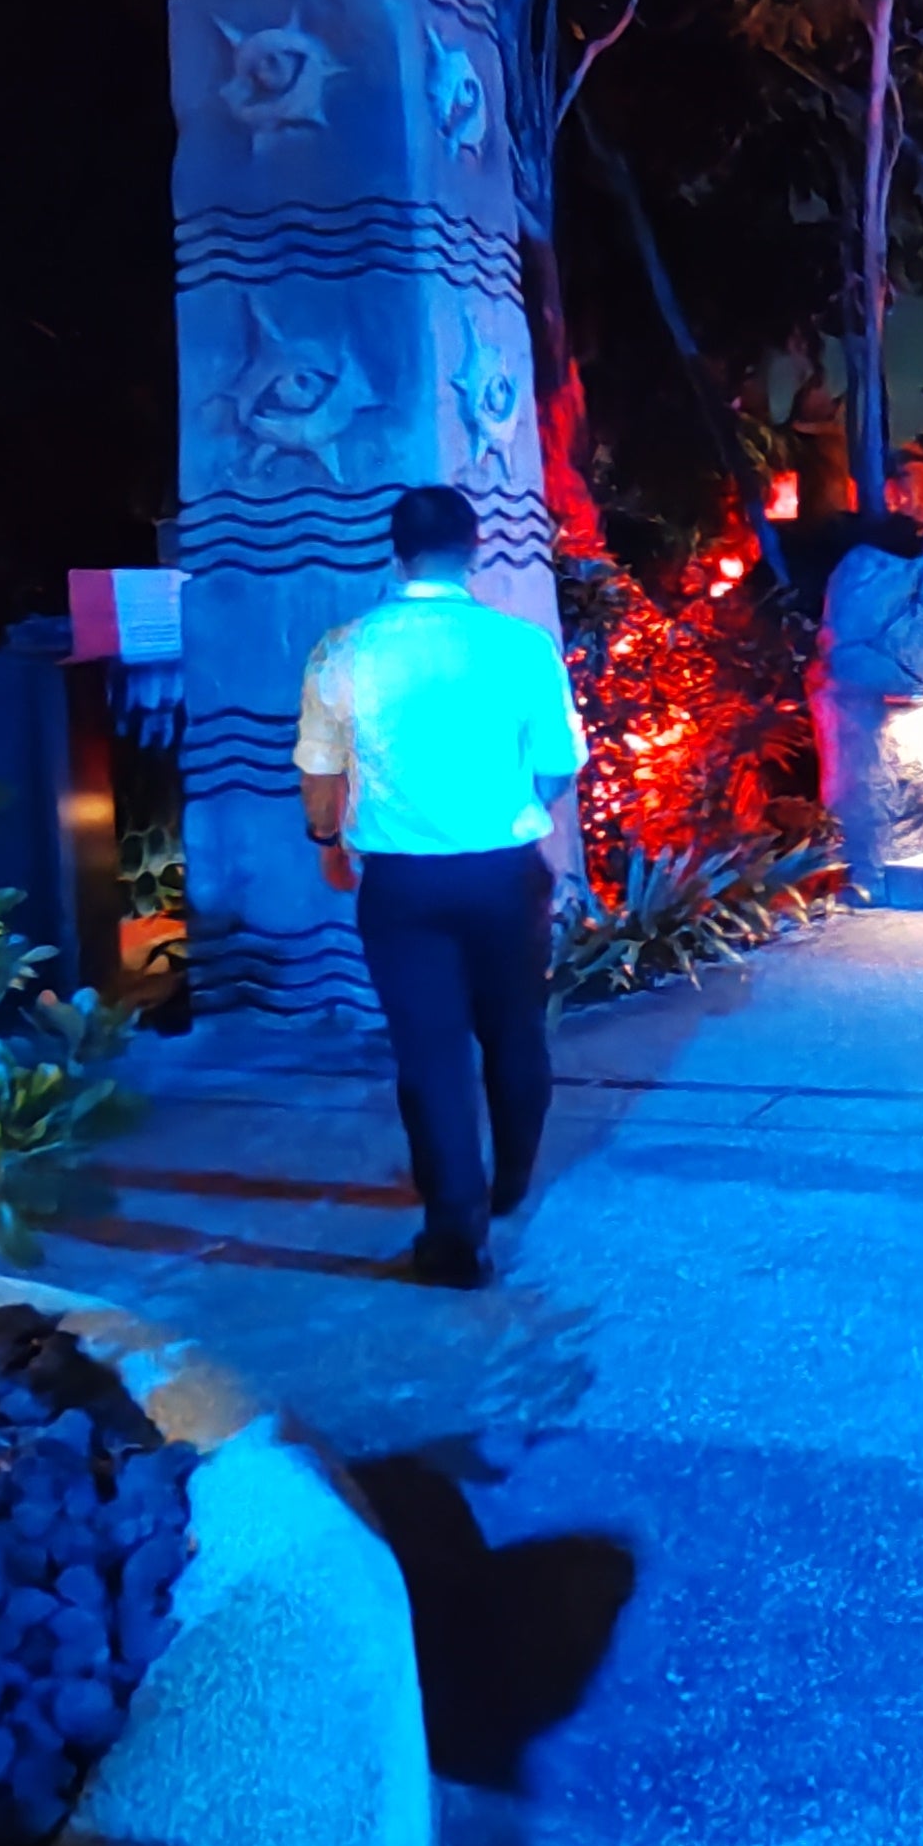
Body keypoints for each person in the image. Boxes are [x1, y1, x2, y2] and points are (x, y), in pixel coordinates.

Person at [294, 484, 589, 1289]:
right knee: (515, 1031)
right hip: (505, 874)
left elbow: (320, 771)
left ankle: (456, 1229)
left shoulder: (343, 649)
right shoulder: (520, 645)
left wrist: (328, 844)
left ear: (396, 552)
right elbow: (558, 764)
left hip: (402, 884)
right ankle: (511, 1182)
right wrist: (518, 809)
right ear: (474, 549)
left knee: (430, 1053)